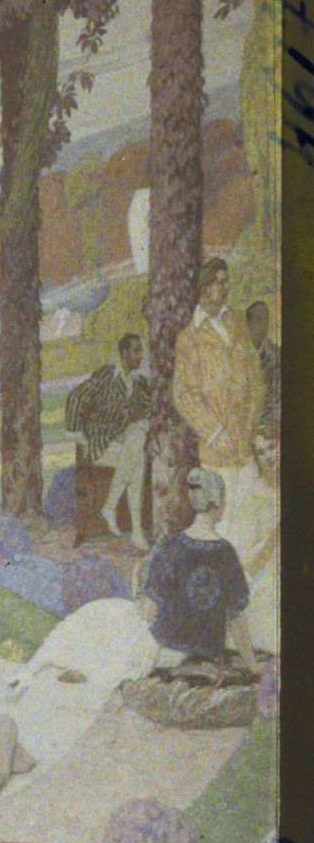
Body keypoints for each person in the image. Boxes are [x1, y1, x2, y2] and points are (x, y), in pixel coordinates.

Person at [173, 257, 264, 532]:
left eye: (226, 282)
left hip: (245, 443)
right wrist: (215, 433)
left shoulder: (237, 323)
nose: (226, 288)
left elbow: (256, 379)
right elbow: (184, 395)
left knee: (251, 520)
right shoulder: (189, 337)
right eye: (220, 283)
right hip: (216, 449)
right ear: (205, 288)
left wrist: (249, 427)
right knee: (223, 522)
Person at [138, 468, 256, 674]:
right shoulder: (226, 553)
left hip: (166, 656)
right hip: (207, 662)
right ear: (218, 502)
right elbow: (236, 618)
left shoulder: (170, 546)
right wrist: (253, 666)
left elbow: (149, 613)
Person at [65, 332, 152, 549]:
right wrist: (77, 434)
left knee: (138, 440)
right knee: (137, 459)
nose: (140, 355)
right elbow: (76, 396)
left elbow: (150, 410)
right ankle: (135, 530)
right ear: (124, 353)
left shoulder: (140, 383)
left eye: (141, 350)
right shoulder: (107, 375)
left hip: (123, 445)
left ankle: (112, 508)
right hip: (100, 444)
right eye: (136, 350)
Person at [223, 421, 279, 655]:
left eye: (272, 447)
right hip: (268, 571)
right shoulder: (255, 496)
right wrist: (272, 540)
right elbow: (246, 557)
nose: (268, 456)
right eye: (261, 452)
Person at [246, 300, 281, 426]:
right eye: (259, 318)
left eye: (266, 319)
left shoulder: (277, 355)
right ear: (248, 323)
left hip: (269, 420)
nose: (263, 324)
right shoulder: (235, 351)